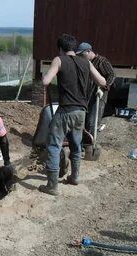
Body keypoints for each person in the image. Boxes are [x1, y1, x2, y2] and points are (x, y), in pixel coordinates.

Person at [39, 34, 106, 196]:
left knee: (54, 146)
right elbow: (103, 82)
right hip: (80, 112)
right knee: (76, 145)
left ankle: (52, 185)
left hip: (65, 111)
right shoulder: (86, 62)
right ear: (74, 48)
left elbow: (46, 81)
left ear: (61, 49)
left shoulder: (59, 60)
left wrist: (45, 76)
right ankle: (74, 177)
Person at [76, 42, 115, 134]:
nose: (81, 56)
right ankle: (85, 142)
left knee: (93, 121)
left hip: (98, 95)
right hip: (88, 95)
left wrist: (103, 88)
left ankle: (91, 144)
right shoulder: (87, 62)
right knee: (85, 120)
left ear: (89, 51)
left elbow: (112, 75)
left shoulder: (102, 61)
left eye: (82, 54)